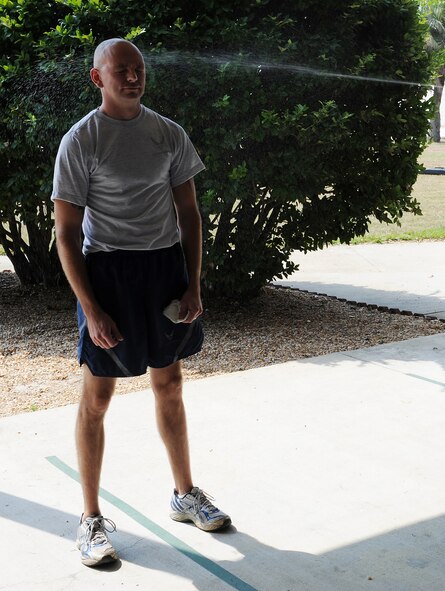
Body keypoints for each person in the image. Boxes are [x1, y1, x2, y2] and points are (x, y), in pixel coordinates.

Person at [53, 38, 231, 567]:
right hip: (108, 274)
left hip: (163, 271)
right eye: (121, 70)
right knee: (98, 398)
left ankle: (184, 494)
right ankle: (89, 520)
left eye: (138, 69)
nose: (133, 77)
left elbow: (190, 214)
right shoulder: (81, 140)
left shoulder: (168, 133)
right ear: (97, 78)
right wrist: (91, 307)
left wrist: (193, 283)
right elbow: (66, 233)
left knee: (170, 384)